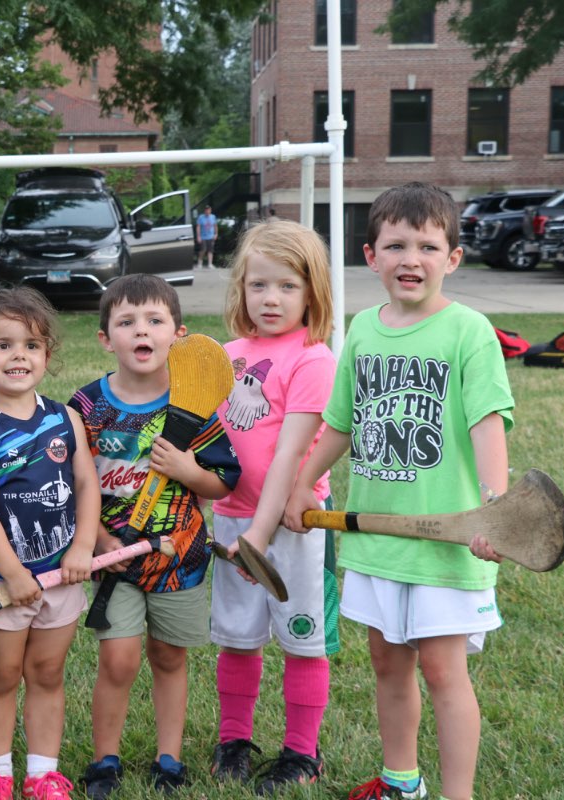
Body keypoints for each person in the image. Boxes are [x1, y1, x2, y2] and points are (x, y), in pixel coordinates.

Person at [284, 182, 513, 800]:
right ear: (371, 255)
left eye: (428, 246)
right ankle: (400, 782)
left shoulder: (469, 331)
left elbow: (487, 422)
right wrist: (304, 482)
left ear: (453, 258)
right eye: (396, 245)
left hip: (446, 541)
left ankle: (456, 795)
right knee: (388, 664)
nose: (412, 258)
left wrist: (497, 509)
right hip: (376, 535)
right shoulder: (362, 329)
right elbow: (342, 422)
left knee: (443, 671)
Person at [67, 274, 240, 798]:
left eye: (154, 320)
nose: (141, 331)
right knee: (117, 660)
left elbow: (225, 480)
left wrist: (188, 471)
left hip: (179, 560)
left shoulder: (193, 403)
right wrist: (98, 539)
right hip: (114, 559)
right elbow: (70, 482)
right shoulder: (86, 406)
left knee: (169, 656)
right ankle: (105, 761)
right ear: (105, 338)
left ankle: (169, 759)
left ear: (177, 335)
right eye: (126, 322)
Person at [208, 220, 338, 794]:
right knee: (237, 635)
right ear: (241, 288)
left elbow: (290, 453)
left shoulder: (312, 357)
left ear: (312, 292)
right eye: (259, 285)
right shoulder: (225, 356)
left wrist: (259, 534)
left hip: (292, 526)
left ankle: (301, 753)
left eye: (287, 286)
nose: (271, 299)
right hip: (231, 518)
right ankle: (234, 739)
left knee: (302, 637)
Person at [0, 289, 100, 800]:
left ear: (46, 356)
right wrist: (13, 574)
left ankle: (42, 772)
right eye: (4, 345)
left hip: (62, 576)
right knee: (2, 674)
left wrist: (83, 544)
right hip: (2, 582)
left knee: (47, 671)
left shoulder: (65, 419)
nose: (19, 355)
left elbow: (86, 484)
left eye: (32, 345)